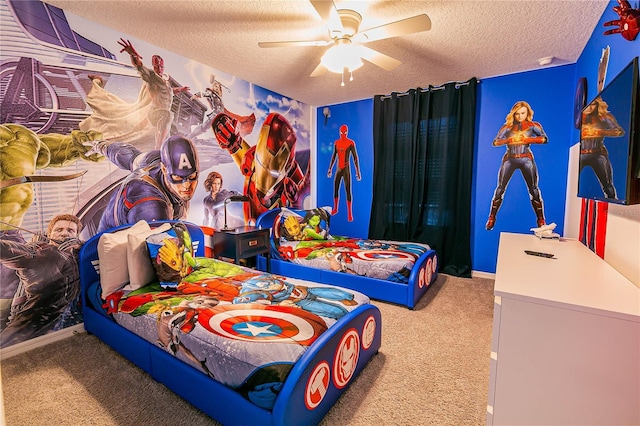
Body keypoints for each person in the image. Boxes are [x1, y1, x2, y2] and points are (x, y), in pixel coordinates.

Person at [81, 39, 189, 150]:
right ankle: (158, 148)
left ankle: (162, 149)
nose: (159, 69)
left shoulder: (165, 81)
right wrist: (132, 54)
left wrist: (180, 89)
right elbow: (140, 67)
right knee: (168, 115)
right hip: (155, 114)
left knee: (167, 125)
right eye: (156, 66)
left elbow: (168, 93)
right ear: (153, 66)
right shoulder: (152, 77)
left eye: (161, 67)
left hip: (161, 117)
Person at [0, 214, 83, 347]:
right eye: (59, 230)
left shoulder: (81, 255)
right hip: (26, 338)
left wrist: (80, 245)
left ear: (77, 236)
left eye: (70, 230)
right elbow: (9, 250)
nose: (64, 234)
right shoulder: (42, 252)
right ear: (49, 234)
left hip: (67, 333)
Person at [212, 112, 308, 224]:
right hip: (256, 229)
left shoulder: (293, 176)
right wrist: (233, 143)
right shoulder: (252, 160)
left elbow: (304, 204)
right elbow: (242, 153)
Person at [93, 135, 199, 233]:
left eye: (191, 177)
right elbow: (154, 249)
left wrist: (100, 146)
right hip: (114, 239)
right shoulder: (151, 208)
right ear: (164, 169)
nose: (186, 185)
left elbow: (127, 156)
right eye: (178, 177)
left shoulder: (154, 159)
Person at [486, 101, 548, 230]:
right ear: (514, 114)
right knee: (500, 188)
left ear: (527, 113)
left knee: (534, 189)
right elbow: (496, 142)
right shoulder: (507, 127)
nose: (520, 116)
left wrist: (528, 140)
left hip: (526, 158)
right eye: (517, 114)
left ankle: (541, 219)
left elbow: (544, 138)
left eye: (522, 113)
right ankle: (492, 217)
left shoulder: (533, 126)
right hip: (510, 158)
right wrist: (509, 140)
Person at [579, 97, 625, 199]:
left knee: (608, 186)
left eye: (593, 104)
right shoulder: (577, 119)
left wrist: (599, 132)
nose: (590, 107)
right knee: (569, 181)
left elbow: (620, 131)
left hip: (598, 154)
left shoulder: (604, 116)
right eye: (587, 105)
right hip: (580, 154)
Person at [327, 124, 361, 222]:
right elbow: (334, 156)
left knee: (348, 190)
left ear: (347, 132)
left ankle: (350, 213)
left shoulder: (351, 143)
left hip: (346, 168)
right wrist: (330, 169)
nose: (342, 134)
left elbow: (355, 157)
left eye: (344, 132)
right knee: (336, 188)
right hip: (338, 168)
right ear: (339, 132)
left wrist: (358, 172)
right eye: (341, 132)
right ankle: (335, 208)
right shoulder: (336, 143)